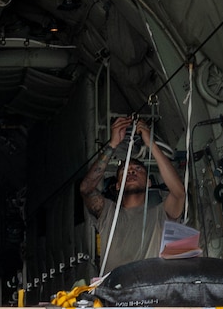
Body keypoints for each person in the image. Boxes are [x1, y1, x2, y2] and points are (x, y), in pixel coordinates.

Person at [79, 116, 188, 273]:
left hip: (147, 293)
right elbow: (86, 188)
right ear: (117, 185)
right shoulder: (108, 213)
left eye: (138, 170)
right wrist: (113, 144)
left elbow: (179, 194)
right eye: (125, 170)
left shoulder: (160, 214)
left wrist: (151, 144)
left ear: (149, 183)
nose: (131, 171)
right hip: (114, 293)